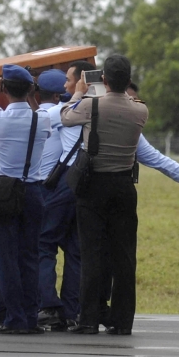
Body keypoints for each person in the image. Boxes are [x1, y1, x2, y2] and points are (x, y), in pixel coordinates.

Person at [61, 54, 148, 335]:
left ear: (105, 79)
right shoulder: (140, 111)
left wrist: (78, 92)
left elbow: (65, 117)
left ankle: (87, 319)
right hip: (124, 186)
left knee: (91, 254)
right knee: (124, 256)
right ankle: (123, 321)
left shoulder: (90, 105)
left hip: (93, 186)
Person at [0, 64, 52, 334]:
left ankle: (14, 318)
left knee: (5, 259)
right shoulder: (42, 119)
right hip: (33, 192)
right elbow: (35, 110)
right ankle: (29, 316)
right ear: (30, 89)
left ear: (4, 88)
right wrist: (30, 95)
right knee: (30, 257)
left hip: (4, 194)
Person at [36, 68, 82, 331]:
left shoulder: (52, 114)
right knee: (75, 251)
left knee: (44, 246)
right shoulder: (84, 110)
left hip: (51, 190)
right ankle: (71, 310)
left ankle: (49, 306)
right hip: (75, 187)